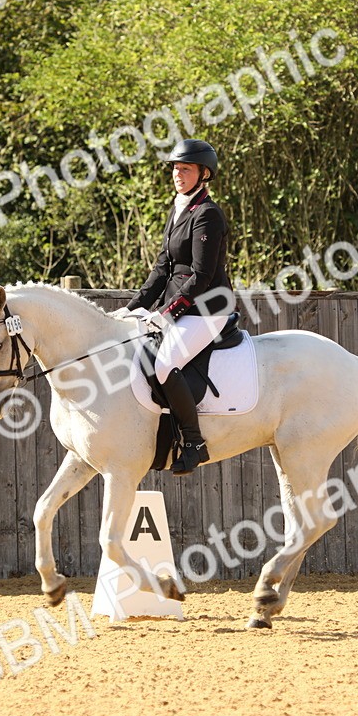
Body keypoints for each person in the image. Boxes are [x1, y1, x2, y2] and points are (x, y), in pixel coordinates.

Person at [115, 139, 234, 475]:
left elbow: (201, 275)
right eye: (175, 168)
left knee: (164, 365)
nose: (177, 174)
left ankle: (195, 442)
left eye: (185, 169)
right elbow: (161, 269)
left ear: (203, 174)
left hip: (208, 307)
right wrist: (132, 309)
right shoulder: (179, 209)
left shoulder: (208, 215)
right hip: (179, 304)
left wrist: (166, 313)